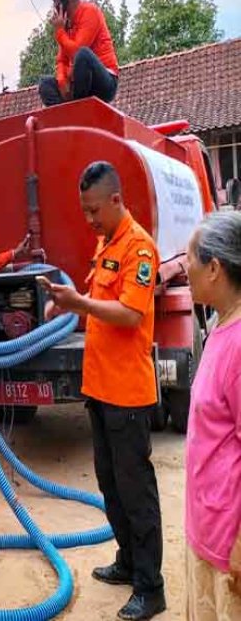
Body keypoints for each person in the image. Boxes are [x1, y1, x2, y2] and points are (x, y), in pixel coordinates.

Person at [45, 161, 165, 620]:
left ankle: (151, 589)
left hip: (128, 396)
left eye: (95, 210)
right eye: (85, 211)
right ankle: (128, 562)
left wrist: (78, 302)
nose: (89, 219)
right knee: (111, 486)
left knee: (137, 494)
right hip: (99, 388)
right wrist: (69, 307)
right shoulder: (107, 243)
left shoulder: (140, 249)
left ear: (116, 200)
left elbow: (131, 315)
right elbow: (100, 310)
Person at [184, 212, 241, 620]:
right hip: (208, 531)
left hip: (229, 547)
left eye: (190, 258)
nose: (185, 267)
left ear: (215, 268)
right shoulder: (220, 330)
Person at [38, 0, 119, 108]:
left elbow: (76, 53)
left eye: (55, 1)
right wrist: (62, 81)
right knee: (45, 84)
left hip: (104, 80)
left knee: (83, 55)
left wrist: (59, 32)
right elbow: (61, 60)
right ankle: (66, 117)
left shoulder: (90, 12)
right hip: (77, 83)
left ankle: (78, 109)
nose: (54, 7)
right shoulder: (66, 24)